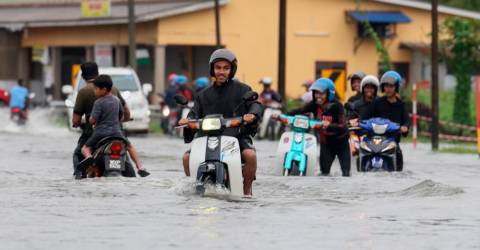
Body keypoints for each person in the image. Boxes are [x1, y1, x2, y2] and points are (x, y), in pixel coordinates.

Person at [179, 48, 263, 196]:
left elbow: (255, 104)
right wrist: (187, 120)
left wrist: (252, 114)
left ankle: (246, 191)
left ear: (232, 70)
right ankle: (193, 188)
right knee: (187, 157)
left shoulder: (243, 89)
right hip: (207, 137)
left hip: (236, 135)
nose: (221, 72)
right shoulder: (202, 95)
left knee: (250, 156)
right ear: (213, 69)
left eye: (226, 68)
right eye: (218, 68)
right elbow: (194, 113)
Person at [72, 62, 136, 179]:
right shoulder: (113, 89)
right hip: (116, 134)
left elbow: (76, 120)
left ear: (83, 76)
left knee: (78, 153)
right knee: (125, 156)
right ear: (97, 73)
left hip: (94, 134)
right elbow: (126, 111)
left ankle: (79, 176)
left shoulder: (83, 92)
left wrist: (77, 123)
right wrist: (124, 119)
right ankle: (136, 172)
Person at [280, 78, 350, 176]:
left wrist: (329, 125)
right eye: (316, 93)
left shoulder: (337, 106)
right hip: (326, 143)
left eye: (321, 93)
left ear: (329, 94)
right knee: (324, 174)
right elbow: (299, 110)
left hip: (341, 143)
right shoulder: (314, 105)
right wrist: (282, 115)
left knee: (346, 174)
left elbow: (343, 126)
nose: (318, 96)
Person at [79, 75, 148, 176]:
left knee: (84, 148)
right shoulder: (117, 100)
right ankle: (140, 166)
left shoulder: (98, 102)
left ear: (104, 89)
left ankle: (89, 157)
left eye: (96, 89)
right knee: (129, 146)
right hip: (117, 133)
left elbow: (93, 120)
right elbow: (121, 116)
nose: (94, 91)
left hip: (100, 134)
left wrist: (91, 121)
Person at [365, 70, 409, 171]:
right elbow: (365, 117)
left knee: (398, 160)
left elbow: (406, 120)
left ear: (397, 87)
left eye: (391, 86)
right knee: (362, 154)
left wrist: (405, 127)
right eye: (386, 86)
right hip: (374, 141)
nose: (388, 89)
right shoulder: (377, 102)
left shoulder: (401, 105)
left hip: (392, 142)